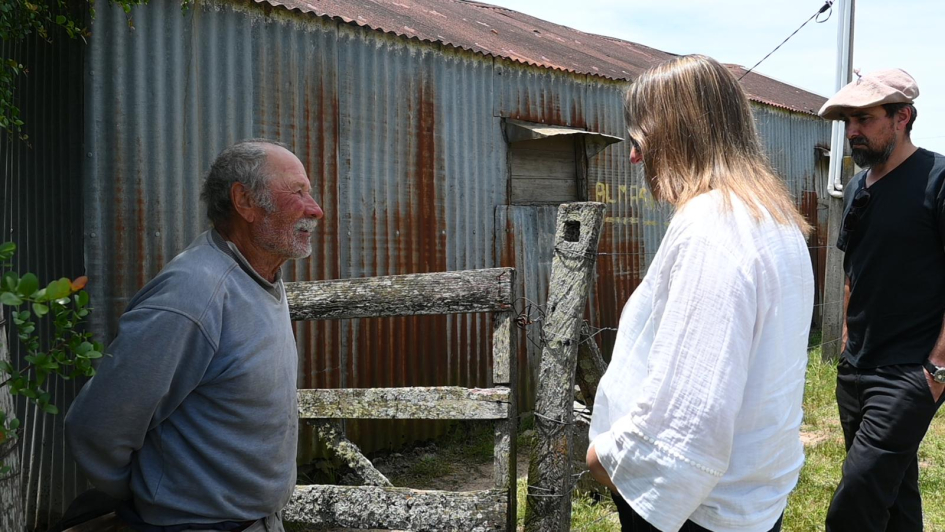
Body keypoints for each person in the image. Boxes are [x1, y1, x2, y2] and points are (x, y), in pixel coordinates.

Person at [585, 55, 814, 532]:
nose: (634, 156)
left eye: (639, 139)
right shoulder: (773, 217)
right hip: (748, 498)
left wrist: (605, 458)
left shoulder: (711, 227)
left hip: (694, 511)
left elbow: (690, 417)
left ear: (675, 133)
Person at [65, 139, 325, 532]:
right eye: (298, 192)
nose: (315, 209)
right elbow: (97, 425)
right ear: (244, 202)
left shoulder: (259, 278)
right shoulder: (194, 293)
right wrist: (152, 495)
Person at [819, 69, 945, 532]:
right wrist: (847, 341)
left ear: (902, 117)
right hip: (856, 368)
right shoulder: (856, 188)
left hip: (909, 372)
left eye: (864, 119)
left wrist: (937, 368)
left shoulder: (938, 179)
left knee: (858, 494)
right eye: (848, 121)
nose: (852, 131)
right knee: (894, 492)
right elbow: (854, 268)